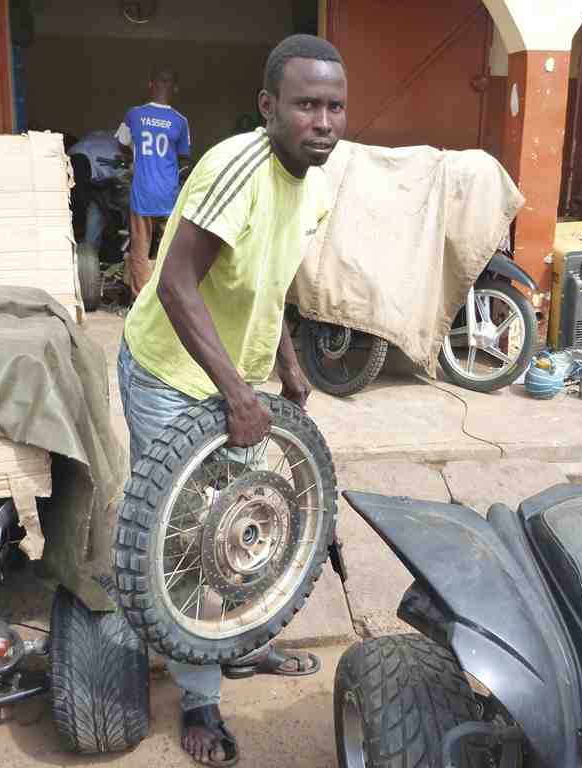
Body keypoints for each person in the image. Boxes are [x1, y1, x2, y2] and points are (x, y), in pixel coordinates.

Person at [117, 34, 347, 767]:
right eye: (306, 105)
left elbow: (268, 282)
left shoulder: (314, 185)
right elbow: (176, 283)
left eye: (335, 106)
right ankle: (198, 696)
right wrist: (236, 394)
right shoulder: (233, 168)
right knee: (189, 536)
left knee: (248, 517)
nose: (323, 122)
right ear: (268, 107)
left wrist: (289, 367)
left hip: (236, 380)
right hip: (169, 374)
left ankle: (241, 643)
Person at [116, 67, 191, 300]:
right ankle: (170, 298)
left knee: (139, 249)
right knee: (171, 250)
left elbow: (122, 143)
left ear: (150, 84)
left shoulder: (134, 115)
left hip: (143, 191)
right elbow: (183, 155)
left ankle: (140, 301)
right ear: (175, 88)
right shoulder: (180, 121)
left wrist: (133, 159)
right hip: (169, 194)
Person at [68, 130, 126, 252]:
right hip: (92, 168)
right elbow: (91, 192)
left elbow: (123, 187)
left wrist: (110, 216)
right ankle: (90, 251)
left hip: (115, 178)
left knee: (126, 209)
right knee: (95, 211)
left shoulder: (115, 161)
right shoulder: (72, 157)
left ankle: (120, 248)